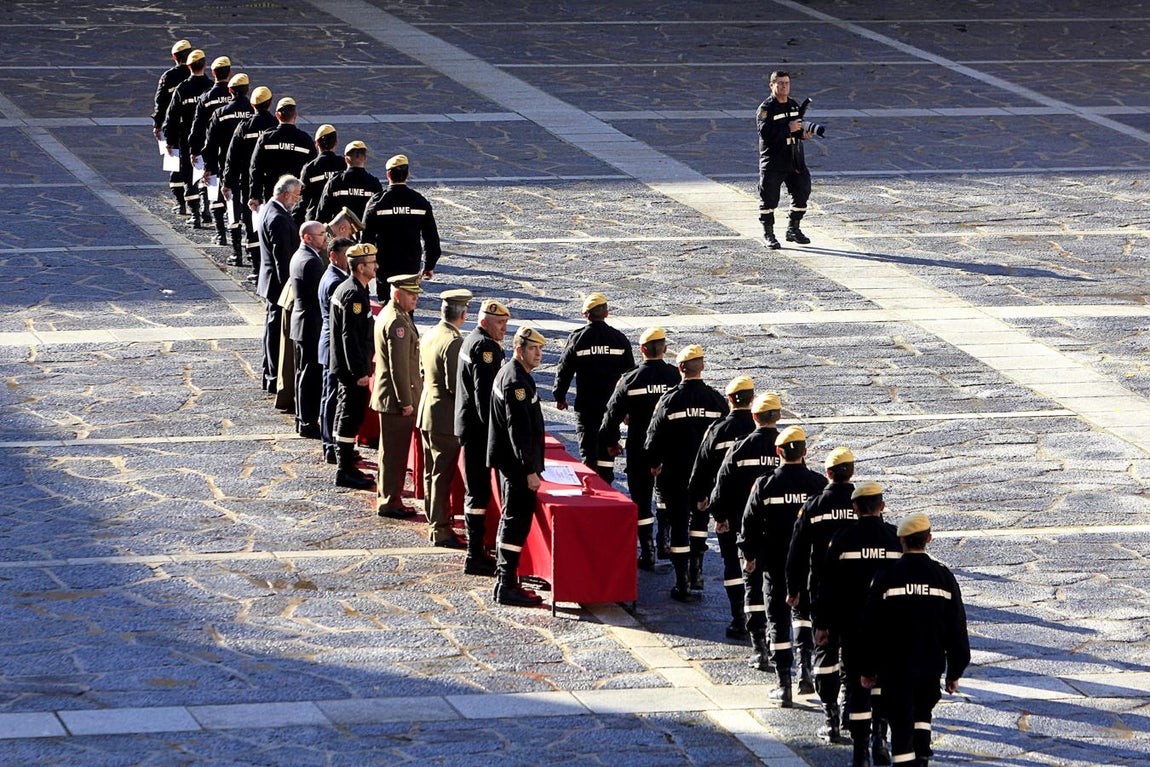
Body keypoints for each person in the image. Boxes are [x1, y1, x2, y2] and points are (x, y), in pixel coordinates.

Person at [860, 511, 970, 767]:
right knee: (923, 716)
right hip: (930, 666)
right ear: (928, 539)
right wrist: (955, 671)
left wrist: (868, 668)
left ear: (901, 541)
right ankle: (921, 759)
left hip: (895, 668)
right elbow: (957, 626)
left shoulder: (887, 576)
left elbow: (871, 626)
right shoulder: (943, 577)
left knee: (900, 727)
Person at [739, 425, 827, 707]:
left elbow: (749, 523)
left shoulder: (765, 485)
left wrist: (749, 555)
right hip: (809, 563)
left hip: (775, 563)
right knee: (804, 615)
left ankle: (783, 684)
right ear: (805, 452)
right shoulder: (817, 485)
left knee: (777, 619)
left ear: (778, 452)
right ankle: (804, 670)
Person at [816, 482, 902, 766]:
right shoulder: (894, 539)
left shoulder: (842, 539)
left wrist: (823, 623)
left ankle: (860, 751)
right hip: (889, 628)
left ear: (855, 508)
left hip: (853, 627)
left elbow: (826, 585)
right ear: (882, 506)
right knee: (883, 686)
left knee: (857, 687)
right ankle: (881, 740)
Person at [786, 446, 862, 743]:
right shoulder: (864, 505)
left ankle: (830, 717)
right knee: (854, 654)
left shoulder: (814, 506)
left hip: (824, 593)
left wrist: (794, 590)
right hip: (859, 595)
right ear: (852, 472)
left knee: (825, 653)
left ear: (828, 473)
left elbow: (797, 552)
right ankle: (848, 710)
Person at [644, 344, 728, 602]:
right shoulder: (716, 400)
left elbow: (653, 438)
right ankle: (697, 572)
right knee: (700, 523)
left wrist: (654, 463)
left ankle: (682, 582)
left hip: (676, 474)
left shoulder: (669, 401)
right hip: (707, 476)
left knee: (679, 524)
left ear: (681, 368)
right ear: (701, 366)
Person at [599, 327, 680, 570]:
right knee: (667, 496)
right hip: (671, 449)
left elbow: (610, 416)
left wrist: (612, 442)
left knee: (642, 499)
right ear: (664, 349)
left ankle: (647, 551)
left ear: (642, 350)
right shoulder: (676, 378)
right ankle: (665, 540)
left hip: (639, 448)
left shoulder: (630, 379)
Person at [706, 391, 782, 642]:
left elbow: (721, 485)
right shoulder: (787, 449)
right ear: (778, 415)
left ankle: (741, 620)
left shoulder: (740, 448)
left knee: (738, 572)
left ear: (755, 416)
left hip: (740, 523)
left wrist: (719, 515)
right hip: (777, 528)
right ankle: (775, 630)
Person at [488, 326, 548, 607]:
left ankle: (508, 580)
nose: (538, 354)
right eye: (533, 348)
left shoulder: (515, 374)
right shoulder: (516, 382)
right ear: (519, 349)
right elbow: (519, 431)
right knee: (515, 523)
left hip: (511, 465)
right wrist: (529, 471)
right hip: (516, 468)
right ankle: (507, 583)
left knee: (511, 521)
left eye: (540, 349)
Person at [454, 299, 511, 577]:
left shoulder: (473, 340)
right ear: (485, 321)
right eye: (500, 323)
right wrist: (498, 433)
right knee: (479, 492)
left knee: (477, 491)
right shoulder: (485, 348)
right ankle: (474, 554)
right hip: (479, 432)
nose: (504, 329)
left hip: (471, 429)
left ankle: (476, 551)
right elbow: (485, 397)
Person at [553, 293, 634, 482]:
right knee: (607, 456)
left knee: (589, 456)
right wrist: (627, 409)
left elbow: (564, 370)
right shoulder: (619, 339)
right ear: (606, 312)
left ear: (585, 315)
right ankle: (607, 490)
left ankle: (592, 494)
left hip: (587, 407)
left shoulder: (578, 339)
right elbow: (630, 376)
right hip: (611, 409)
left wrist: (560, 396)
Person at [687, 376, 757, 592]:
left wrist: (698, 496)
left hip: (724, 502)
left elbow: (701, 466)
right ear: (752, 399)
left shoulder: (717, 430)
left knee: (730, 560)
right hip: (756, 506)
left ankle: (737, 613)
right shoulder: (762, 432)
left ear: (729, 400)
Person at [417, 289, 472, 548]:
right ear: (463, 313)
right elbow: (454, 385)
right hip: (445, 417)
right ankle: (440, 527)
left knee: (431, 472)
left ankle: (434, 519)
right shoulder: (453, 341)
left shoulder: (430, 334)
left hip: (427, 411)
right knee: (441, 475)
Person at [371, 274, 423, 519]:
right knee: (395, 454)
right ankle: (390, 501)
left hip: (391, 397)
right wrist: (406, 402)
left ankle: (388, 496)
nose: (415, 299)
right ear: (396, 293)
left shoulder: (394, 315)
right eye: (411, 294)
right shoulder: (397, 323)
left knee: (390, 452)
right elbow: (398, 367)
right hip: (396, 400)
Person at [329, 243, 379, 490]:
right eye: (372, 263)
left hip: (346, 367)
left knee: (346, 414)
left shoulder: (350, 288)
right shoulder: (354, 294)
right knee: (350, 416)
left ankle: (346, 464)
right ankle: (345, 469)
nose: (376, 267)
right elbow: (350, 336)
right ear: (361, 267)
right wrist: (360, 371)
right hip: (351, 370)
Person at [362, 154, 442, 299]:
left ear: (388, 175)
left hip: (384, 265)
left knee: (386, 306)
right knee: (407, 305)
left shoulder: (377, 203)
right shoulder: (420, 202)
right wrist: (429, 265)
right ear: (408, 174)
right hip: (410, 264)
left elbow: (366, 238)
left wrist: (368, 265)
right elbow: (431, 239)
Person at [756, 70, 815, 249]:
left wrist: (803, 134)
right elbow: (766, 134)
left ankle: (793, 229)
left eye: (787, 83)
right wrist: (788, 129)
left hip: (794, 159)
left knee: (802, 192)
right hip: (773, 161)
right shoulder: (765, 109)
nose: (784, 86)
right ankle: (768, 234)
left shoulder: (793, 106)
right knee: (769, 198)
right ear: (772, 85)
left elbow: (797, 128)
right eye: (780, 83)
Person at [200, 73, 253, 265]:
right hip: (254, 172)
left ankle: (236, 252)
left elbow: (211, 144)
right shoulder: (254, 113)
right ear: (247, 90)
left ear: (231, 91)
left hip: (229, 168)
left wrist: (208, 168)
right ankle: (252, 253)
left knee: (233, 210)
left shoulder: (220, 114)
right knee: (251, 213)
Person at [222, 86, 276, 275]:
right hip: (273, 184)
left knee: (252, 225)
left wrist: (227, 183)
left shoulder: (244, 127)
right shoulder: (275, 125)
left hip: (248, 184)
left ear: (253, 105)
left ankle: (256, 267)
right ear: (269, 104)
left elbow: (232, 157)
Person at [256, 176, 302, 395]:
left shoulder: (268, 208)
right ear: (286, 194)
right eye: (296, 195)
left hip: (269, 281)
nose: (298, 199)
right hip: (278, 285)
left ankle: (269, 372)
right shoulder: (279, 219)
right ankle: (274, 375)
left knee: (271, 327)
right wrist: (290, 289)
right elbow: (282, 259)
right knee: (276, 331)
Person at [188, 56, 235, 246]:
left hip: (214, 151)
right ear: (229, 72)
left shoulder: (206, 98)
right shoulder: (237, 98)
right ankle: (236, 231)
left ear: (213, 72)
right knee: (235, 194)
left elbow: (198, 128)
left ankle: (221, 234)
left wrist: (195, 150)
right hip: (237, 154)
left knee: (214, 192)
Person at [162, 49, 211, 230]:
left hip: (187, 138)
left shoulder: (182, 89)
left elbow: (172, 117)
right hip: (208, 137)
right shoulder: (211, 88)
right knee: (208, 172)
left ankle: (195, 214)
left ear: (189, 67)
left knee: (189, 175)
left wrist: (169, 140)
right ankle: (207, 209)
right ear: (205, 65)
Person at [288, 221, 328, 439]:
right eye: (321, 234)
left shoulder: (301, 256)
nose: (325, 237)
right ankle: (307, 421)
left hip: (302, 323)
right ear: (307, 237)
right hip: (311, 324)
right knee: (310, 377)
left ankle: (302, 418)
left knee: (303, 374)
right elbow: (319, 296)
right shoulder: (311, 262)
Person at [318, 237, 354, 465]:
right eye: (346, 255)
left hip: (330, 344)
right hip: (333, 347)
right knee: (332, 397)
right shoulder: (335, 282)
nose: (349, 260)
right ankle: (330, 444)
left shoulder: (337, 277)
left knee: (330, 395)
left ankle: (333, 442)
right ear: (333, 255)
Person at [249, 98, 317, 215]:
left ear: (277, 116)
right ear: (295, 116)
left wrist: (255, 195)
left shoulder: (266, 138)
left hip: (272, 193)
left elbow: (256, 168)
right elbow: (313, 169)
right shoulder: (305, 140)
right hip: (296, 196)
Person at [151, 40, 193, 216]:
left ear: (174, 57)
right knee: (193, 165)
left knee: (173, 163)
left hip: (173, 127)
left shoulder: (168, 77)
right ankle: (196, 204)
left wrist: (158, 124)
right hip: (193, 127)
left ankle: (180, 202)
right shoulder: (196, 76)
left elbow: (160, 104)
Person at [317, 140, 383, 224]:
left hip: (339, 233)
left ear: (346, 160)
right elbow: (378, 213)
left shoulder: (335, 182)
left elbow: (322, 212)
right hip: (363, 234)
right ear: (365, 159)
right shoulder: (374, 183)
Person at [299, 125, 344, 223]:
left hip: (315, 221)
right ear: (336, 143)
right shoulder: (343, 164)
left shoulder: (309, 168)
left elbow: (303, 199)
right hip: (338, 221)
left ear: (317, 144)